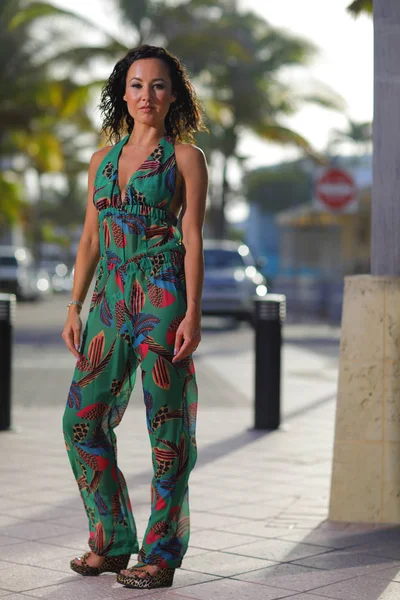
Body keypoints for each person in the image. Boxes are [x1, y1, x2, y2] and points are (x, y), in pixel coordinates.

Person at [61, 44, 208, 590]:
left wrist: (192, 312)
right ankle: (112, 540)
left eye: (160, 85)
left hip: (163, 294)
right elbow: (90, 239)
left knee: (167, 429)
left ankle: (161, 554)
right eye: (138, 84)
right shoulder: (102, 159)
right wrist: (75, 306)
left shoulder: (186, 158)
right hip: (109, 300)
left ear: (174, 97)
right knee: (80, 420)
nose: (148, 95)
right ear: (123, 93)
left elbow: (192, 241)